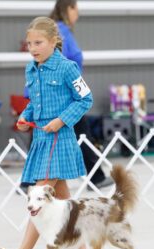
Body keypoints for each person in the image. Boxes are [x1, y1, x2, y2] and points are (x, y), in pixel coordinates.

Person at [0, 17, 93, 249]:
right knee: (61, 199)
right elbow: (34, 102)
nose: (33, 48)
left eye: (38, 42)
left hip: (59, 139)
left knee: (39, 195)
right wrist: (25, 117)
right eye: (29, 43)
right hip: (40, 139)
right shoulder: (31, 69)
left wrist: (62, 120)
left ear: (54, 41)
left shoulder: (67, 68)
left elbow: (85, 99)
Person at [50, 0, 114, 190]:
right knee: (81, 132)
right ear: (68, 9)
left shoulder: (59, 30)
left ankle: (96, 176)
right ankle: (97, 177)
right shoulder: (60, 31)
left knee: (71, 133)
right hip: (65, 92)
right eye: (76, 8)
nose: (78, 13)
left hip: (65, 90)